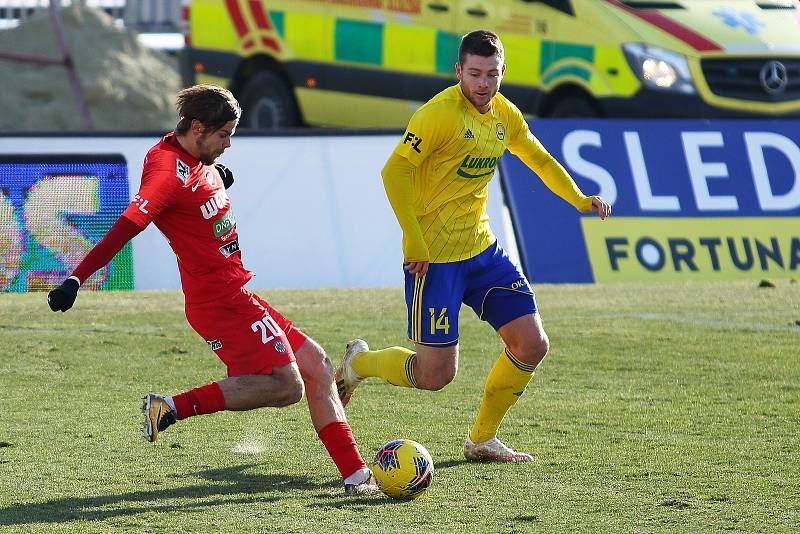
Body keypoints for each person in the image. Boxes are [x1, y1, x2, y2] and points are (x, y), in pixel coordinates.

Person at [47, 84, 377, 495]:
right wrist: (76, 278)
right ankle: (168, 408)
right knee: (289, 385)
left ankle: (356, 476)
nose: (227, 145)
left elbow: (191, 187)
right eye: (223, 137)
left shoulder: (188, 157)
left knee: (319, 366)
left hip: (236, 293)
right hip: (220, 301)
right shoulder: (167, 175)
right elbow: (124, 229)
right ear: (198, 127)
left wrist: (213, 174)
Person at [335, 30, 612, 462]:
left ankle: (482, 439)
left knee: (531, 344)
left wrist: (578, 198)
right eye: (475, 74)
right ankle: (360, 364)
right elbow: (394, 173)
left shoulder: (504, 114)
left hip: (483, 253)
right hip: (435, 261)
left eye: (492, 74)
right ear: (459, 71)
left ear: (503, 73)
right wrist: (414, 237)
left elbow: (538, 158)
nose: (483, 84)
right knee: (435, 375)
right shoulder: (439, 115)